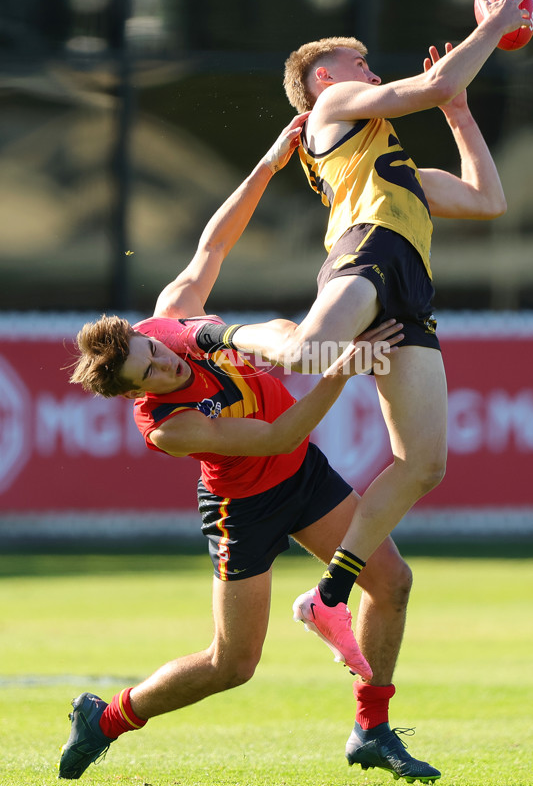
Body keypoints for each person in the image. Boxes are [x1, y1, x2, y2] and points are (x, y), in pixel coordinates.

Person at [60, 115, 441, 784]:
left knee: (392, 581)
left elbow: (213, 247)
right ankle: (108, 717)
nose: (163, 367)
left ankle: (371, 729)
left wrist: (267, 164)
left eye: (154, 352)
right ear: (132, 396)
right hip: (247, 505)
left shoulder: (173, 322)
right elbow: (277, 434)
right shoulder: (168, 427)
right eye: (146, 374)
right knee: (232, 666)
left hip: (302, 477)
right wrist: (342, 368)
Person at [193, 0, 531, 668]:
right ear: (324, 79)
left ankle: (329, 593)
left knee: (424, 464)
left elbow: (487, 199)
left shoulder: (394, 162)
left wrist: (460, 111)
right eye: (361, 64)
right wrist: (495, 24)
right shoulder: (332, 107)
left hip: (408, 287)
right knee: (313, 352)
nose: (372, 75)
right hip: (365, 253)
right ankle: (214, 340)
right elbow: (434, 80)